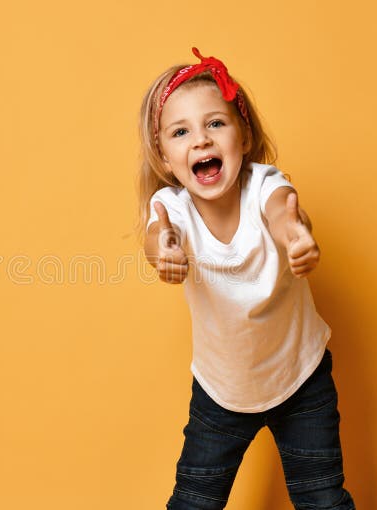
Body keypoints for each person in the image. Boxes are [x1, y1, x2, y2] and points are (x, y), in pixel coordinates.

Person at [137, 48, 356, 509]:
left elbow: (282, 210)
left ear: (245, 133)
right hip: (221, 392)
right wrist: (163, 253)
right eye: (181, 132)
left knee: (323, 499)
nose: (201, 140)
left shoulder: (264, 185)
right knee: (193, 501)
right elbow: (158, 234)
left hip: (302, 378)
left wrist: (296, 234)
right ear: (164, 155)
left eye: (215, 123)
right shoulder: (172, 208)